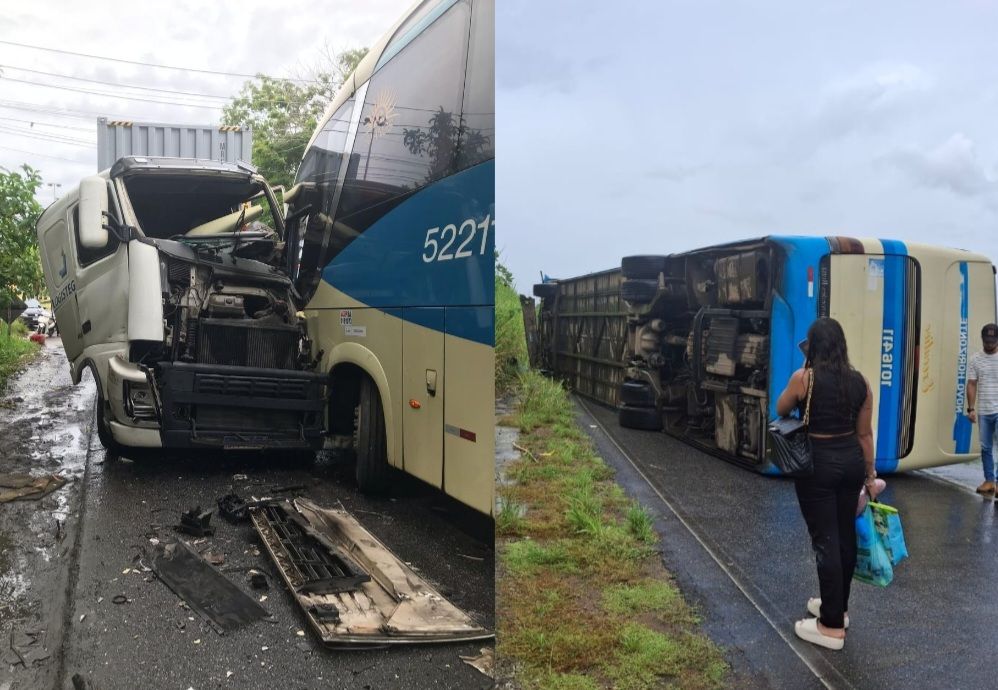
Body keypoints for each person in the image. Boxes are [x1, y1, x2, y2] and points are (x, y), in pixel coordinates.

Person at [776, 317, 875, 651]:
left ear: (813, 346)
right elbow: (865, 434)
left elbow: (781, 407)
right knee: (844, 536)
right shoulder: (861, 382)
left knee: (826, 540)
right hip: (851, 464)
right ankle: (838, 609)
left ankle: (831, 628)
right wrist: (870, 475)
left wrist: (804, 372)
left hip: (817, 465)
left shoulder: (804, 378)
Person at [967, 323, 998, 495]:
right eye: (987, 341)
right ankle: (989, 481)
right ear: (982, 339)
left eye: (992, 341)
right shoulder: (975, 359)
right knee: (986, 447)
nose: (989, 344)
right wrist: (970, 409)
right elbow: (972, 384)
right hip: (984, 410)